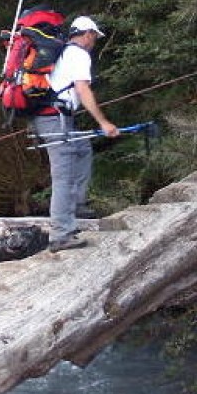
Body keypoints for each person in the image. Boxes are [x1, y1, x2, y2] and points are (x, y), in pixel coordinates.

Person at [35, 15, 119, 251]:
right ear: (88, 33)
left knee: (82, 149)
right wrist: (103, 122)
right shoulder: (78, 54)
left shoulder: (63, 51)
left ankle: (77, 204)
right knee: (63, 174)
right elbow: (82, 89)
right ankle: (61, 234)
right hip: (54, 118)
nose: (94, 41)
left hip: (56, 117)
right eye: (94, 36)